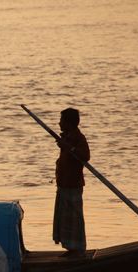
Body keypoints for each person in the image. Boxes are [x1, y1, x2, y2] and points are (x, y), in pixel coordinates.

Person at [53, 107, 90, 257]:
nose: (59, 123)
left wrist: (68, 147)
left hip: (73, 185)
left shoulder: (78, 138)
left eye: (62, 120)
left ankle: (78, 248)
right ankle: (70, 248)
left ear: (69, 123)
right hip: (64, 185)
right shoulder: (67, 138)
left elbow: (85, 156)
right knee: (65, 218)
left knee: (75, 218)